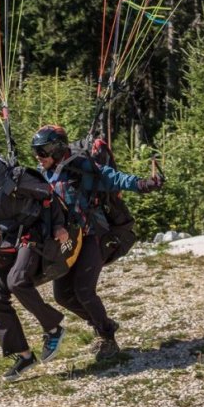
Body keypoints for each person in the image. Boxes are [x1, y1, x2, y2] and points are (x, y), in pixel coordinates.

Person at [31, 125, 163, 361]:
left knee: (84, 290)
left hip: (93, 235)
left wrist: (144, 184)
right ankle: (103, 323)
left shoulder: (83, 167)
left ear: (57, 149)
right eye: (36, 152)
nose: (38, 158)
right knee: (62, 296)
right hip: (68, 241)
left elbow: (114, 178)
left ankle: (107, 338)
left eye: (42, 152)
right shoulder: (45, 172)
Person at [0, 143, 69, 382]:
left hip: (33, 232)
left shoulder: (17, 179)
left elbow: (50, 195)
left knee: (17, 281)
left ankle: (53, 328)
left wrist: (59, 226)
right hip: (9, 238)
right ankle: (24, 355)